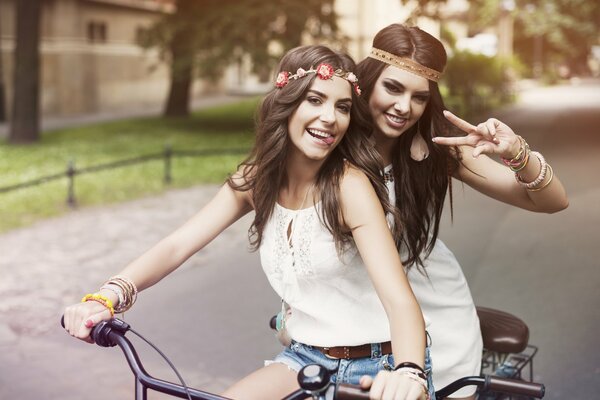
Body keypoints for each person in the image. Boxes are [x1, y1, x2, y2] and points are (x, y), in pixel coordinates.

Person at [63, 45, 434, 400]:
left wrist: (409, 372)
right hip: (304, 359)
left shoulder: (349, 187)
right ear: (286, 104)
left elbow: (399, 299)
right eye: (315, 100)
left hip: (378, 368)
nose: (330, 118)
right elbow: (178, 245)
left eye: (343, 107)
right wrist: (108, 297)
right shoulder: (256, 181)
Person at [354, 24, 569, 399]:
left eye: (419, 97)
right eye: (392, 87)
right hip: (353, 313)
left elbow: (552, 201)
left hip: (432, 311)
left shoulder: (439, 148)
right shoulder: (331, 143)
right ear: (368, 80)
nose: (404, 107)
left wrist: (516, 152)